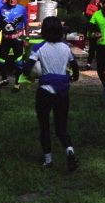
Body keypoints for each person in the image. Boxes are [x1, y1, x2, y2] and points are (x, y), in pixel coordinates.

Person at [22, 17, 80, 170]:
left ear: (44, 31)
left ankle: (48, 159)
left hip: (45, 92)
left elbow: (27, 69)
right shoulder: (66, 47)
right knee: (61, 128)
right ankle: (69, 150)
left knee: (44, 126)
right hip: (62, 92)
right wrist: (74, 76)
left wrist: (28, 68)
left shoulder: (39, 48)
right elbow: (75, 67)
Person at [0, 0, 29, 93]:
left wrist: (27, 38)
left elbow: (26, 24)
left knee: (18, 62)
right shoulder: (2, 8)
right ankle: (4, 80)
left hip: (17, 39)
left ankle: (17, 83)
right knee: (0, 61)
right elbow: (0, 24)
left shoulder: (22, 9)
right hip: (5, 39)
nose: (12, 0)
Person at [82, 0, 104, 70]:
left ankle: (102, 64)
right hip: (94, 27)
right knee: (92, 46)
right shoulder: (92, 3)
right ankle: (88, 64)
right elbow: (88, 12)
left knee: (102, 47)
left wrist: (102, 7)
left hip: (104, 28)